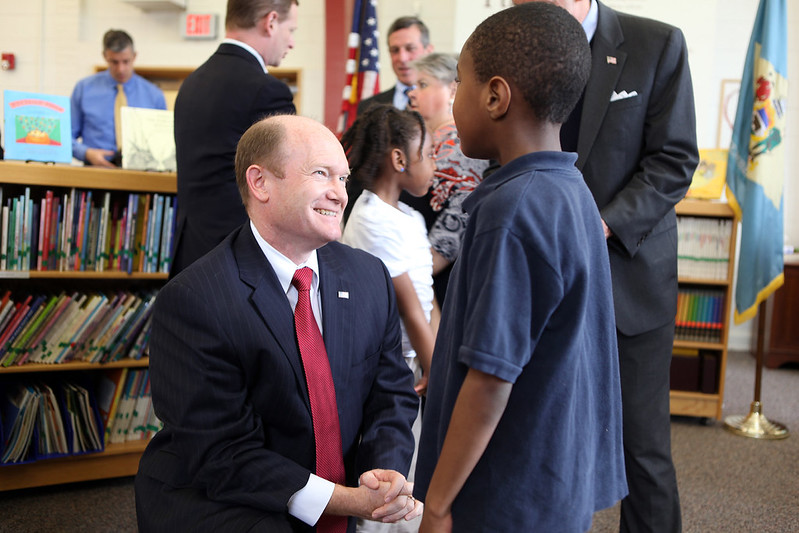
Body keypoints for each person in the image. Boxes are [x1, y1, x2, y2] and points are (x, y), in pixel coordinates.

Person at [135, 114, 422, 532]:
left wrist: (384, 472)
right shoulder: (195, 300)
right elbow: (222, 454)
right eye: (321, 173)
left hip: (342, 498)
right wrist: (344, 501)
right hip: (228, 502)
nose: (339, 194)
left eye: (343, 178)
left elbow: (392, 396)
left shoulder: (368, 277)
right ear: (260, 183)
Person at [413, 3, 628, 532]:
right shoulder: (571, 191)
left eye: (460, 82)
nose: (453, 99)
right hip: (556, 478)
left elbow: (490, 380)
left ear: (495, 95)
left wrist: (437, 504)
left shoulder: (512, 211)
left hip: (504, 493)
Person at [514, 1, 699, 531]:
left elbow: (674, 160)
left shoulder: (657, 44)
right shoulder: (519, 39)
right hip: (538, 272)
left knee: (642, 449)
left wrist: (599, 225)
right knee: (542, 437)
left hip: (627, 277)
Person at [340, 105, 436, 533]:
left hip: (417, 358)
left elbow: (425, 290)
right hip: (393, 366)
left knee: (412, 472)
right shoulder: (370, 219)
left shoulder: (409, 217)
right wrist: (438, 370)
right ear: (399, 160)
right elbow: (410, 309)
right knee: (389, 471)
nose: (433, 163)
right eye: (428, 153)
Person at [170, 0, 298, 277]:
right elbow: (286, 185)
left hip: (190, 255)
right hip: (239, 264)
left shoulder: (191, 83)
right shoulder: (267, 91)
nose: (292, 43)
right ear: (271, 21)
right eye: (291, 30)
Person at [407, 53, 488, 305]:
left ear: (452, 89)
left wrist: (414, 277)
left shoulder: (460, 145)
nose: (412, 93)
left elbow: (458, 217)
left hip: (436, 281)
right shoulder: (429, 141)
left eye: (423, 85)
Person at [70, 29, 166, 168]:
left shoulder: (154, 95)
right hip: (95, 173)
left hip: (141, 174)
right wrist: (87, 153)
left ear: (134, 56)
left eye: (126, 61)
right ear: (105, 56)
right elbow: (66, 137)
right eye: (114, 62)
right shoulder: (84, 89)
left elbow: (164, 141)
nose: (121, 69)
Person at [356, 17, 433, 115]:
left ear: (429, 51)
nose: (402, 58)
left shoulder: (443, 104)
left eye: (410, 48)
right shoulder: (368, 107)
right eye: (395, 50)